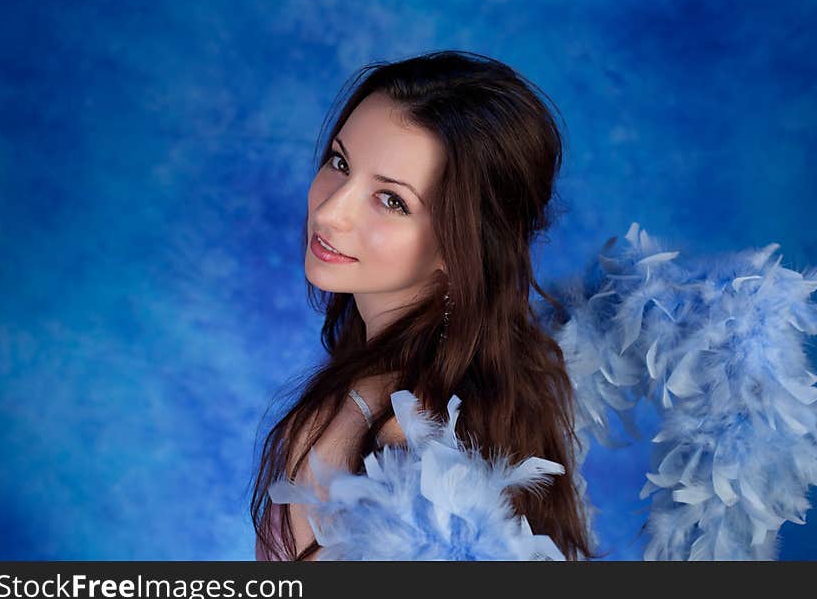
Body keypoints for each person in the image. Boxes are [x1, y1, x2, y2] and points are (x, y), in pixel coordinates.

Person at [250, 49, 596, 561]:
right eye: (340, 163)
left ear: (462, 247)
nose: (329, 211)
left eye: (392, 200)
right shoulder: (506, 393)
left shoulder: (357, 429)